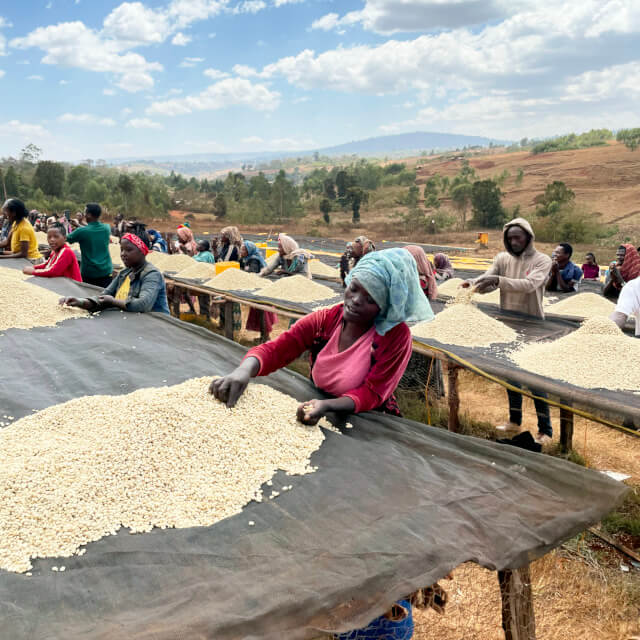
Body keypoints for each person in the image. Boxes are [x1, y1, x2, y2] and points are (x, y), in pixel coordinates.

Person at [211, 248, 434, 423]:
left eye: (371, 299)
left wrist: (329, 406)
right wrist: (243, 371)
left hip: (368, 420)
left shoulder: (394, 336)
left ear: (386, 306)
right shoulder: (325, 320)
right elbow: (278, 349)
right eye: (354, 288)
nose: (356, 300)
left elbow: (372, 393)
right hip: (318, 403)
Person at [462, 217, 553, 444]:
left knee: (535, 380)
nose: (513, 242)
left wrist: (498, 280)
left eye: (517, 237)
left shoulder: (542, 260)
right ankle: (515, 420)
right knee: (510, 375)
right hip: (508, 324)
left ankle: (546, 430)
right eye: (509, 238)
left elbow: (529, 285)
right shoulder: (502, 258)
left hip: (533, 325)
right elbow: (489, 277)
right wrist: (473, 283)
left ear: (528, 237)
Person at [60, 233, 169, 314]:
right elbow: (103, 296)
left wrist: (113, 302)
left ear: (142, 251)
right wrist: (80, 302)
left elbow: (142, 305)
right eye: (121, 250)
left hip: (155, 327)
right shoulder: (124, 273)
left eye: (128, 250)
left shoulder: (151, 275)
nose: (123, 254)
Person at [65, 203, 112, 288]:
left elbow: (66, 238)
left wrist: (66, 225)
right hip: (106, 271)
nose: (84, 215)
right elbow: (92, 229)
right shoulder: (107, 228)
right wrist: (79, 224)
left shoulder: (81, 231)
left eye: (85, 212)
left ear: (89, 215)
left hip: (90, 273)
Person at [240, 241, 277, 341]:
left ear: (249, 251)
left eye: (243, 249)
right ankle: (263, 336)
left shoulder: (254, 260)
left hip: (260, 289)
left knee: (263, 312)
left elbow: (252, 273)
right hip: (256, 289)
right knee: (258, 312)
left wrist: (243, 272)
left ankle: (266, 337)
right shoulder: (246, 259)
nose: (241, 251)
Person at [0, 198, 43, 263]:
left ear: (14, 213)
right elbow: (6, 242)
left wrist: (2, 257)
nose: (6, 215)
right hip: (18, 255)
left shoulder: (24, 228)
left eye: (7, 211)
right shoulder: (16, 223)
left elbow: (23, 254)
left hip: (31, 259)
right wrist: (1, 253)